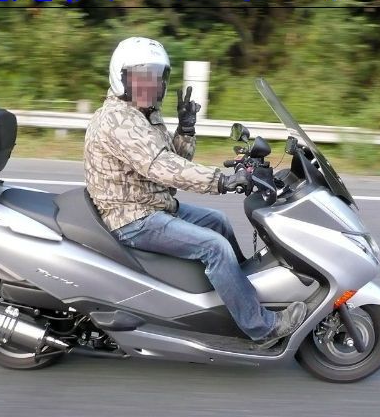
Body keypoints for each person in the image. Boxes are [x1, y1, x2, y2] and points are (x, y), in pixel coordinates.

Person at [83, 37, 307, 349]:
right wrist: (222, 181)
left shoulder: (143, 114)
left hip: (154, 205)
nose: (151, 84)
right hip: (133, 218)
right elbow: (161, 167)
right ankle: (260, 327)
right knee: (215, 248)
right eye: (142, 77)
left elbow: (173, 163)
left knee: (218, 222)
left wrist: (185, 130)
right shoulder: (118, 120)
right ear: (122, 78)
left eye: (156, 77)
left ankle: (237, 297)